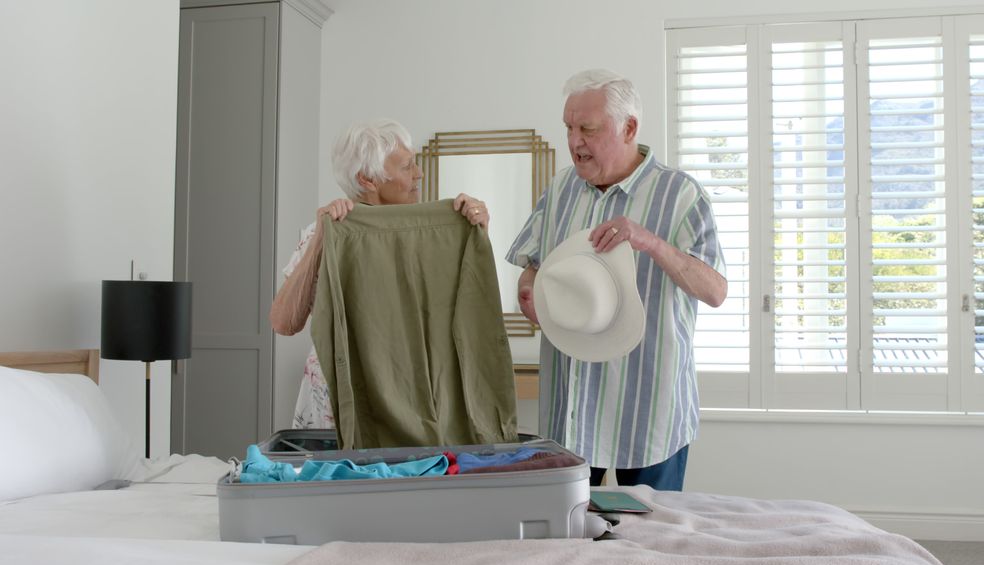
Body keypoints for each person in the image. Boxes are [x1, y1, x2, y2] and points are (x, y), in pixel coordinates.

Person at [505, 69, 728, 491]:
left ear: (629, 128)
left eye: (587, 129)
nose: (573, 142)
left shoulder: (680, 194)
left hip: (649, 414)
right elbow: (531, 264)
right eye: (569, 128)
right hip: (570, 411)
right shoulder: (560, 190)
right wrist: (528, 290)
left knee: (652, 542)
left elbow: (715, 290)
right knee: (567, 540)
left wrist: (653, 244)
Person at [270, 118, 490, 429]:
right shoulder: (321, 235)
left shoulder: (430, 237)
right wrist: (321, 238)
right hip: (334, 403)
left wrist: (478, 233)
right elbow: (284, 322)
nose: (419, 173)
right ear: (368, 179)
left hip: (409, 398)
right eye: (407, 166)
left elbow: (464, 311)